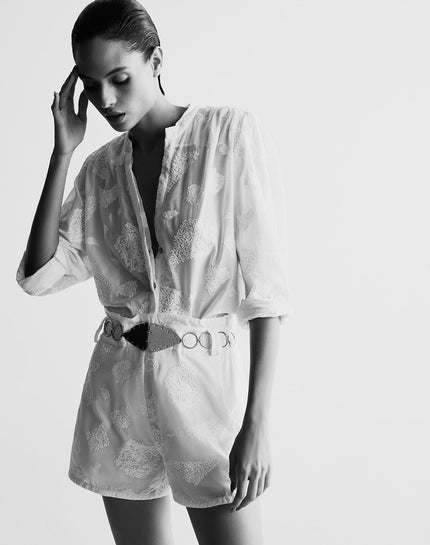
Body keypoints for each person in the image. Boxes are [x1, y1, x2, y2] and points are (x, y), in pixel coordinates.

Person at [15, 0, 293, 543]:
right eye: (92, 86)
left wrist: (257, 423)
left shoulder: (228, 136)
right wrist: (63, 152)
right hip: (118, 396)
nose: (105, 100)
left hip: (208, 400)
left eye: (120, 79)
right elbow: (39, 274)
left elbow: (268, 292)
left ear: (156, 61)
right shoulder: (99, 170)